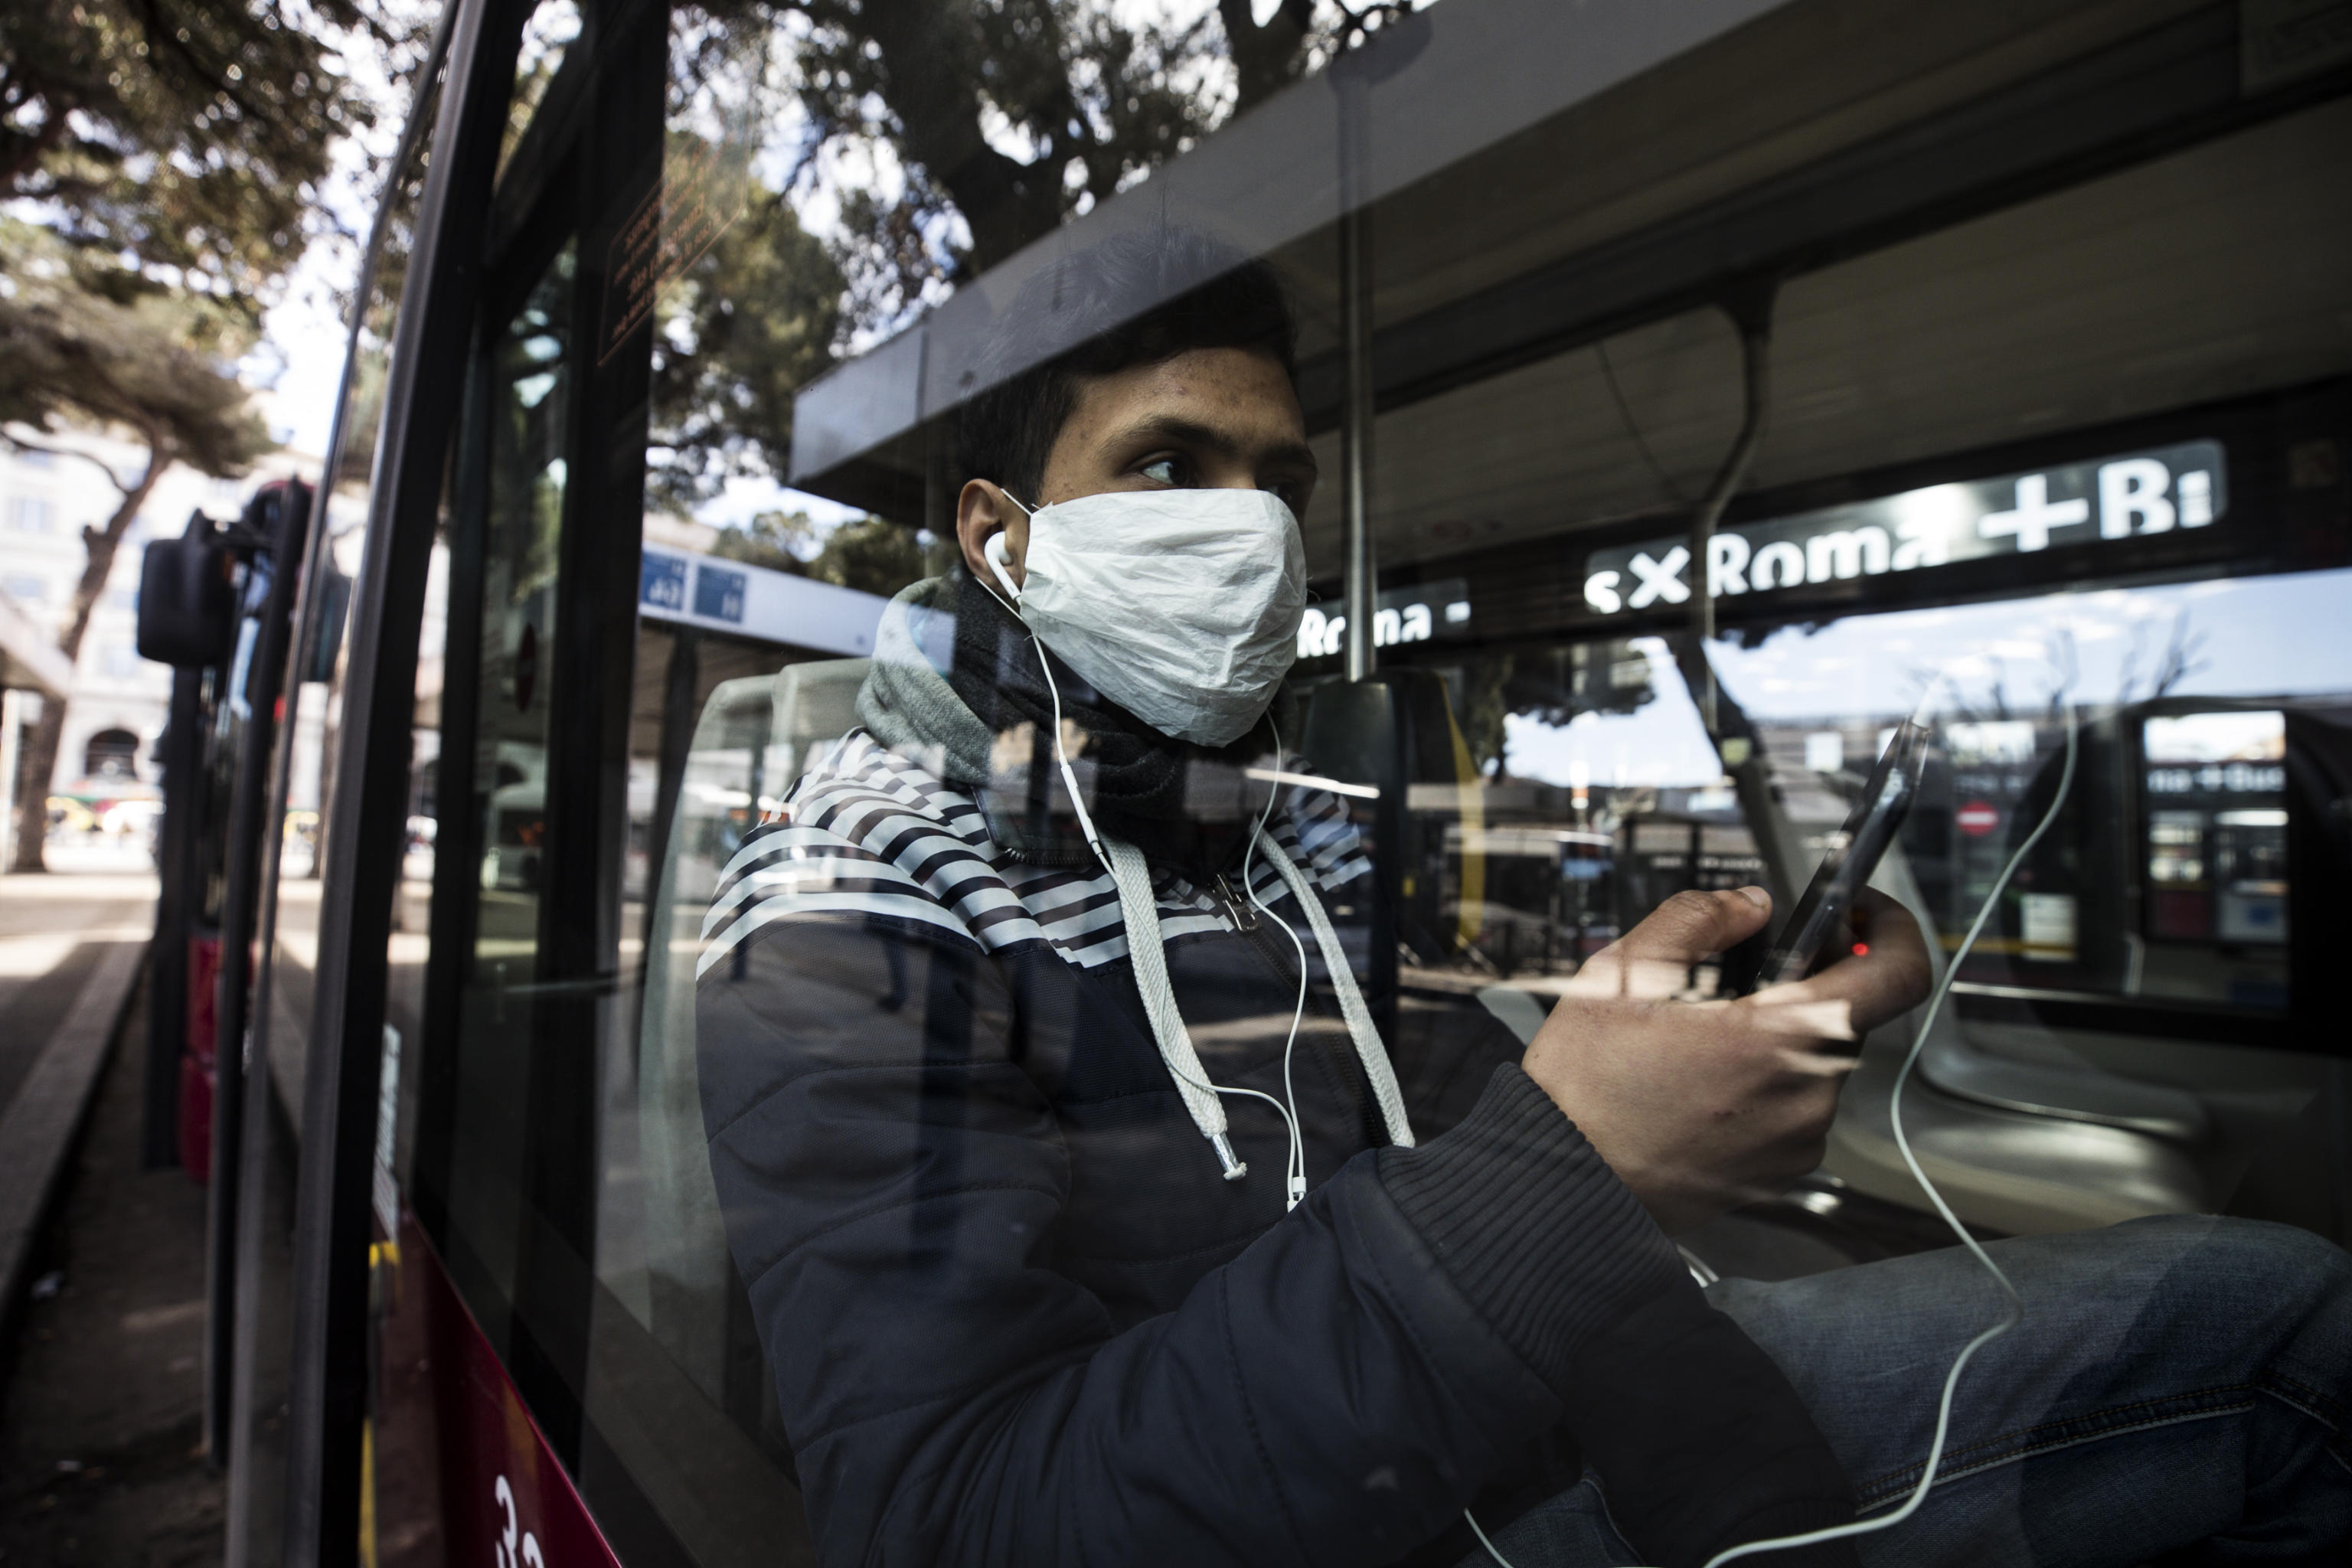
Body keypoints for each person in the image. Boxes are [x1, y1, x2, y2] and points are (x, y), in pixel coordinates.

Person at [693, 232, 2351, 1567]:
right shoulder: (853, 905)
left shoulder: (1278, 844)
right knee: (2277, 1357)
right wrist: (1573, 1172)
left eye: (1279, 483)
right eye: (1169, 464)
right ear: (1002, 540)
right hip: (1392, 1510)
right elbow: (959, 1519)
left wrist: (1653, 1050)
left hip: (1511, 1429)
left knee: (2272, 1306)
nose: (1247, 533)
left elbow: (1457, 1123)